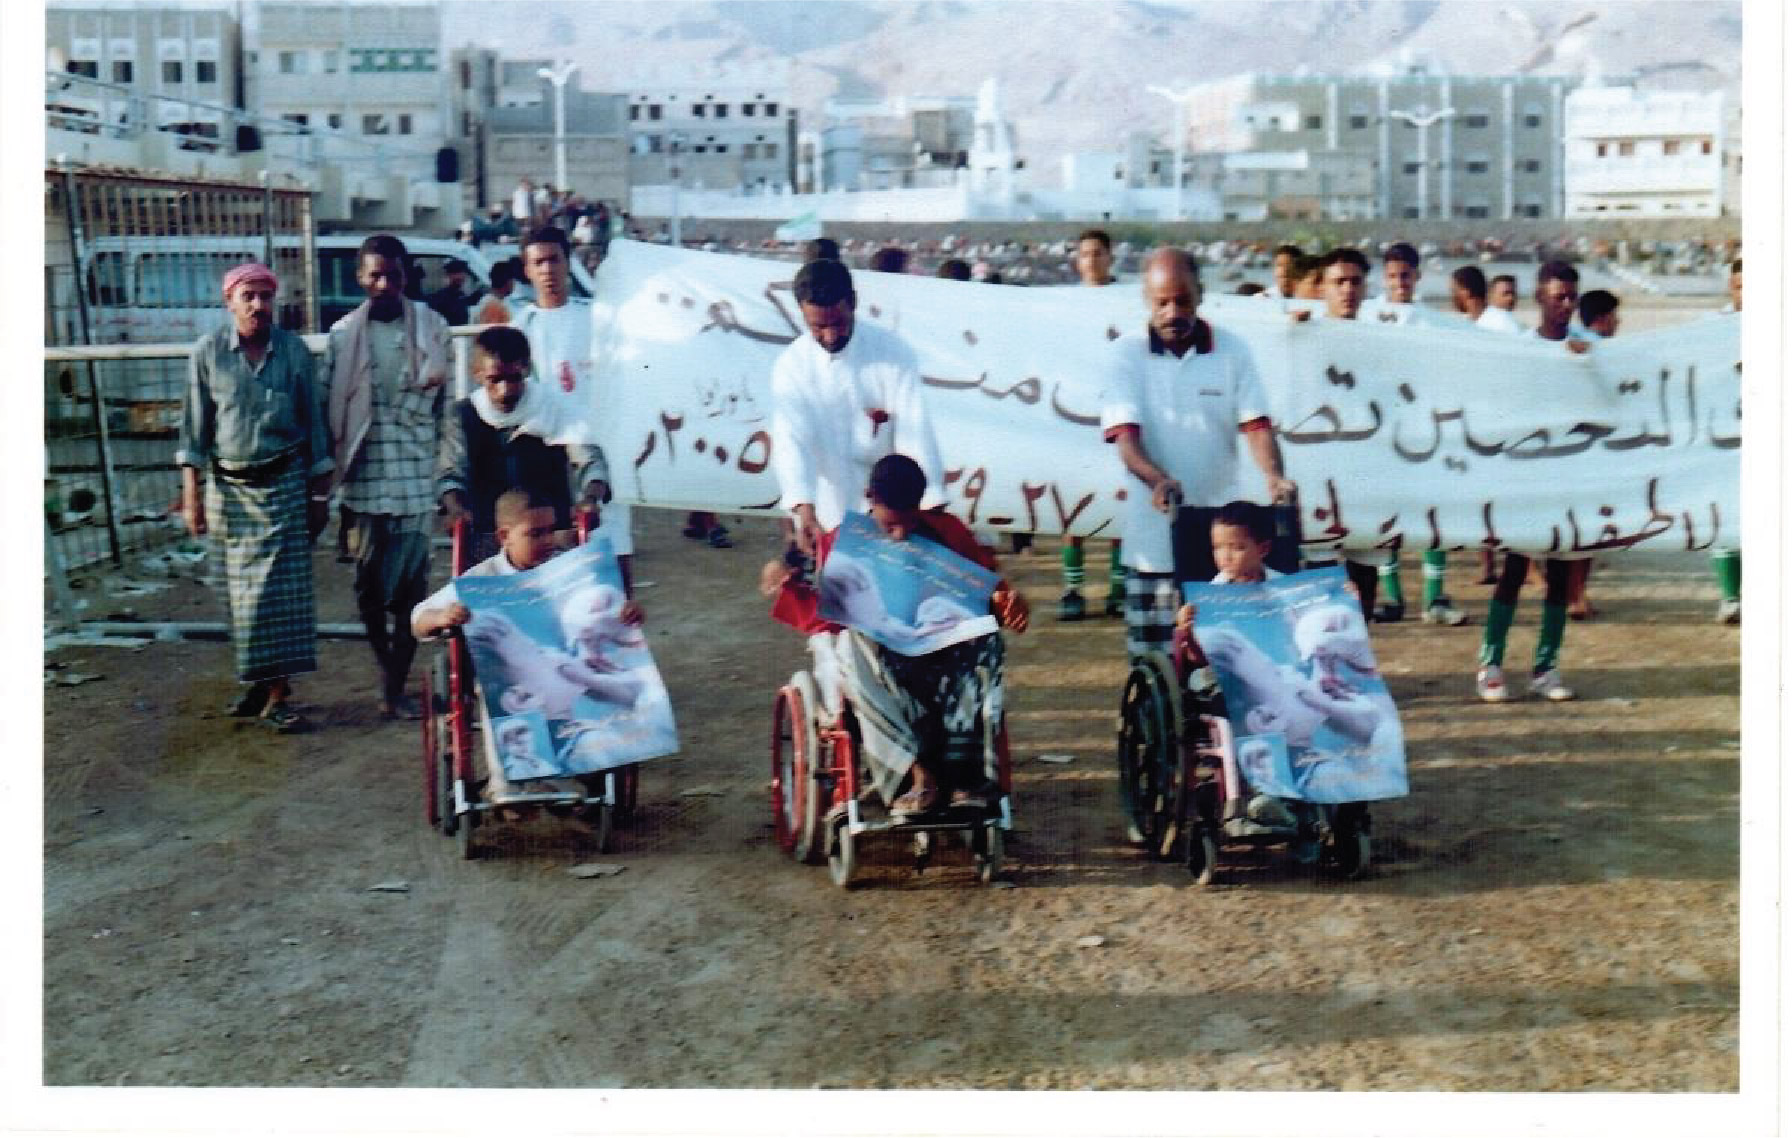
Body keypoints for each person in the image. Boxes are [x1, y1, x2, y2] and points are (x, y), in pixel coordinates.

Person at [761, 454, 1029, 818]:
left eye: (909, 522)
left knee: (987, 639)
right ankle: (918, 774)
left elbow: (988, 589)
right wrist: (786, 582)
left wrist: (1007, 602)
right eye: (891, 525)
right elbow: (824, 613)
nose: (900, 534)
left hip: (942, 658)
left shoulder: (945, 531)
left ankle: (964, 775)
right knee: (854, 645)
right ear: (870, 497)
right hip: (882, 662)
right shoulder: (843, 542)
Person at [1100, 248, 1294, 661]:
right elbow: (1126, 441)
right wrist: (1157, 480)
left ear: (1201, 294)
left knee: (1224, 662)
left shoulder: (1233, 351)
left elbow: (1256, 425)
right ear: (1146, 302)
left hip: (1224, 543)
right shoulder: (1126, 355)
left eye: (1183, 300)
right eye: (1162, 303)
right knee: (1154, 663)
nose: (1173, 312)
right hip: (1154, 537)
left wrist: (1274, 476)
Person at [176, 262, 333, 732]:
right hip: (228, 489)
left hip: (284, 484)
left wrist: (320, 495)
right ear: (230, 302)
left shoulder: (294, 353)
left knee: (278, 596)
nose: (258, 305)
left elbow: (315, 425)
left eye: (266, 296)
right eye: (248, 295)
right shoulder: (207, 354)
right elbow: (194, 430)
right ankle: (259, 683)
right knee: (237, 596)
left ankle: (280, 694)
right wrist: (192, 497)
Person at [320, 234, 451, 719]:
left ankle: (396, 685)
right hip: (364, 481)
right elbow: (326, 411)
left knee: (412, 593)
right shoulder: (341, 336)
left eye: (392, 275)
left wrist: (446, 479)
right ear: (360, 278)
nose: (383, 284)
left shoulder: (434, 328)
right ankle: (388, 679)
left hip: (416, 480)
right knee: (369, 589)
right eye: (374, 275)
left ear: (405, 276)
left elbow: (447, 415)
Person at [769, 257, 944, 556]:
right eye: (818, 327)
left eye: (838, 323)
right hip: (828, 514)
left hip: (891, 517)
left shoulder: (893, 353)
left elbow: (915, 433)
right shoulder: (792, 366)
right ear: (801, 314)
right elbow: (790, 442)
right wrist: (804, 508)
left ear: (853, 303)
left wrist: (928, 506)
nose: (830, 336)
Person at [1475, 260, 1585, 704]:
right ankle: (1491, 662)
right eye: (1557, 297)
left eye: (1571, 297)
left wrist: (1587, 365)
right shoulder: (1519, 349)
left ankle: (1546, 665)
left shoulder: (1587, 349)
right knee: (1515, 571)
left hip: (1568, 478)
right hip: (1527, 478)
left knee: (1560, 575)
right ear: (1539, 297)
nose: (1565, 305)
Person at [512, 225, 634, 591]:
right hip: (543, 458)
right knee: (552, 557)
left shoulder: (598, 319)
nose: (548, 270)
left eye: (554, 260)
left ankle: (622, 636)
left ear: (568, 263)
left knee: (614, 546)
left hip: (599, 451)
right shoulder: (520, 329)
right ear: (527, 270)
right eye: (539, 262)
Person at [437, 325, 607, 558]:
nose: (505, 390)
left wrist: (590, 498)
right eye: (494, 380)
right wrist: (455, 510)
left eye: (514, 378)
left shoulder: (553, 405)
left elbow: (590, 461)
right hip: (488, 541)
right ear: (476, 374)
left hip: (552, 537)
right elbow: (452, 474)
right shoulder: (463, 414)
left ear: (526, 368)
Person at [1060, 227, 1127, 621]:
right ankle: (1073, 587)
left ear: (1110, 257)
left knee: (1117, 497)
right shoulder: (1065, 302)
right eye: (1085, 254)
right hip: (1071, 412)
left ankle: (1117, 584)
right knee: (1074, 502)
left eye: (1098, 253)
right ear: (1077, 259)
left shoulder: (1128, 300)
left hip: (1117, 410)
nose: (1091, 260)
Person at [1711, 258, 1741, 623]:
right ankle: (1730, 595)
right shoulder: (1714, 327)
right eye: (1739, 286)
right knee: (1725, 513)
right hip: (1724, 431)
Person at [425, 258, 474, 327]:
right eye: (455, 273)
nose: (459, 276)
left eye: (461, 273)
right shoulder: (440, 298)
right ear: (449, 275)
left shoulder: (462, 296)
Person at [472, 260, 524, 325]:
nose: (514, 284)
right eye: (513, 280)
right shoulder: (493, 306)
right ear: (508, 282)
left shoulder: (493, 301)